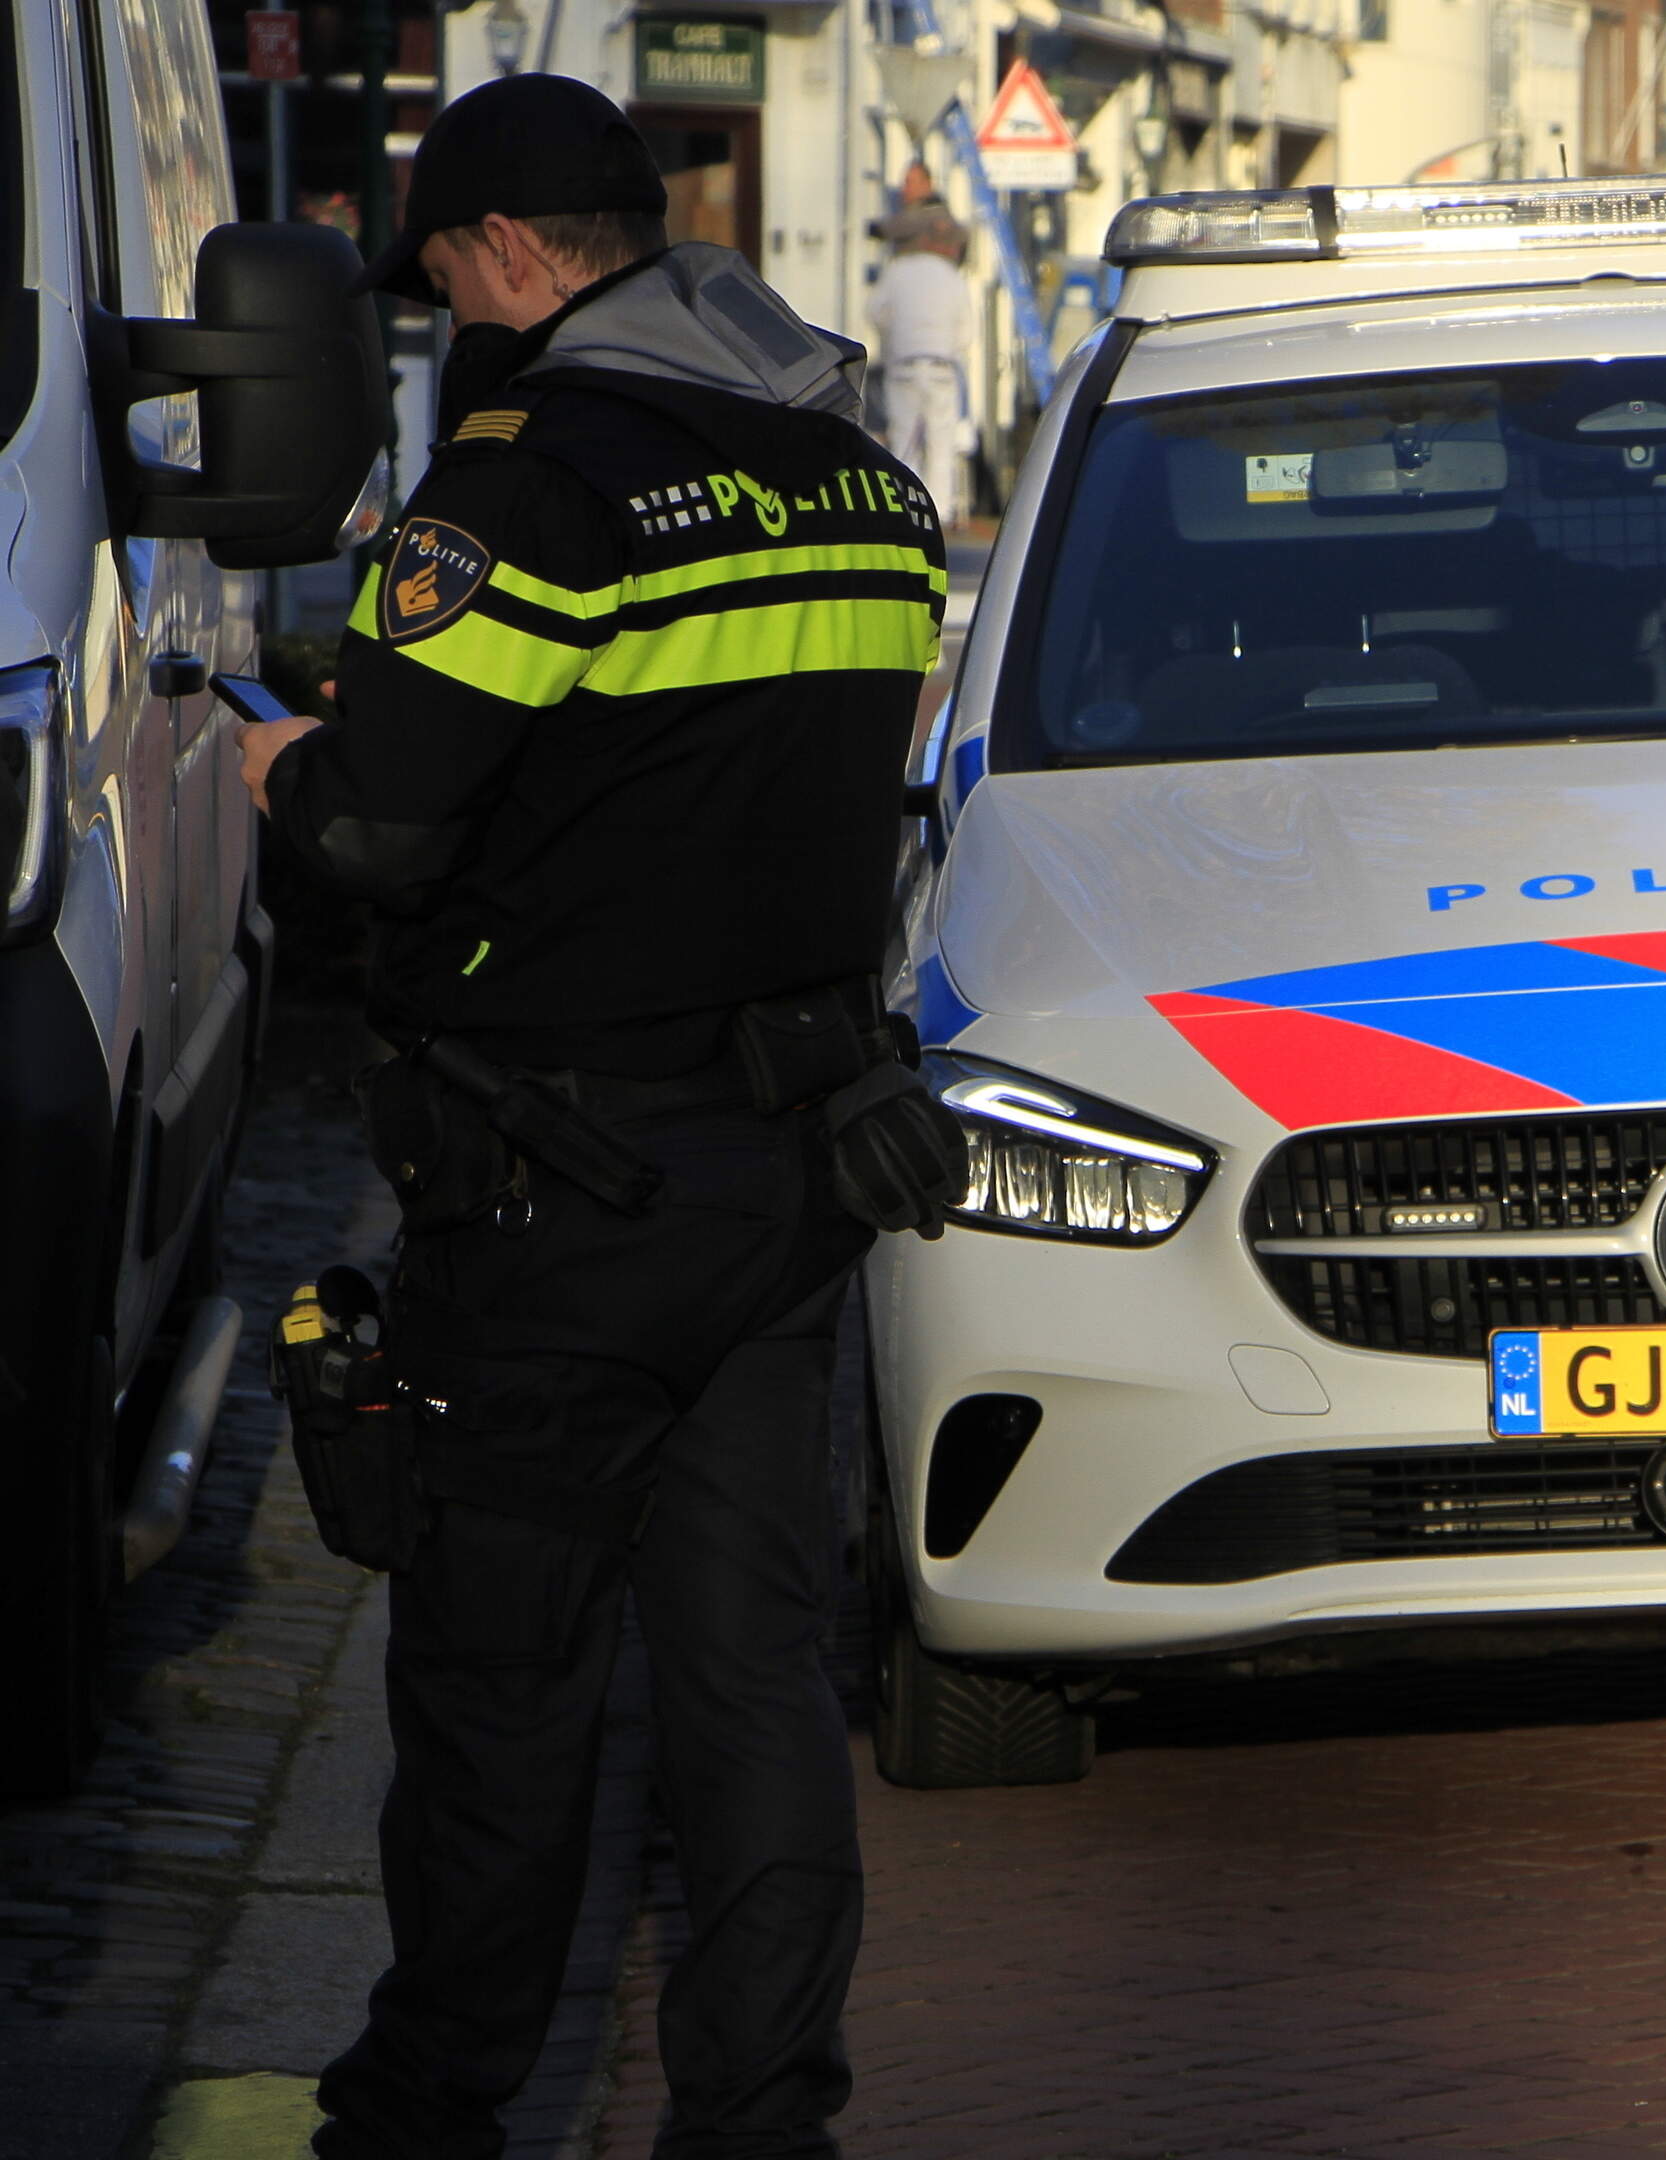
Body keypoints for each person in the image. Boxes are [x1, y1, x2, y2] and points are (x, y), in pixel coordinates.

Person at [235, 72, 954, 2160]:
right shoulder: (860, 480)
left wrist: (278, 763)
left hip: (553, 1191)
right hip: (787, 1169)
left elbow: (383, 827)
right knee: (748, 1684)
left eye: (448, 273)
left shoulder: (525, 487)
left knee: (502, 1691)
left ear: (510, 259)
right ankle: (763, 2119)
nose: (450, 311)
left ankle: (434, 2111)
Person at [869, 176, 975, 527]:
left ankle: (905, 508)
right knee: (940, 439)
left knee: (904, 437)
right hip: (942, 364)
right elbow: (967, 330)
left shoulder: (897, 272)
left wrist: (893, 342)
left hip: (903, 364)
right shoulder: (950, 276)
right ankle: (940, 511)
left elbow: (875, 313)